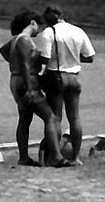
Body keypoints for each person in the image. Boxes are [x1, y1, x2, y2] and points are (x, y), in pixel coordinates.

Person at [34, 5, 97, 164]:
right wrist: (74, 57)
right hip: (74, 77)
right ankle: (76, 156)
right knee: (74, 117)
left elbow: (45, 59)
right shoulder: (77, 31)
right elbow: (90, 57)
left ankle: (55, 156)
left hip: (57, 76)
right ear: (62, 15)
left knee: (55, 118)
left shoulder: (49, 32)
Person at [5, 10, 63, 167]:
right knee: (50, 117)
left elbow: (4, 51)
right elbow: (25, 63)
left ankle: (23, 157)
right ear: (32, 23)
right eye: (39, 25)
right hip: (26, 81)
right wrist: (30, 87)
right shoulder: (25, 40)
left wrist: (13, 63)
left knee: (24, 118)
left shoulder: (15, 40)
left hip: (15, 80)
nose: (40, 30)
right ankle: (56, 156)